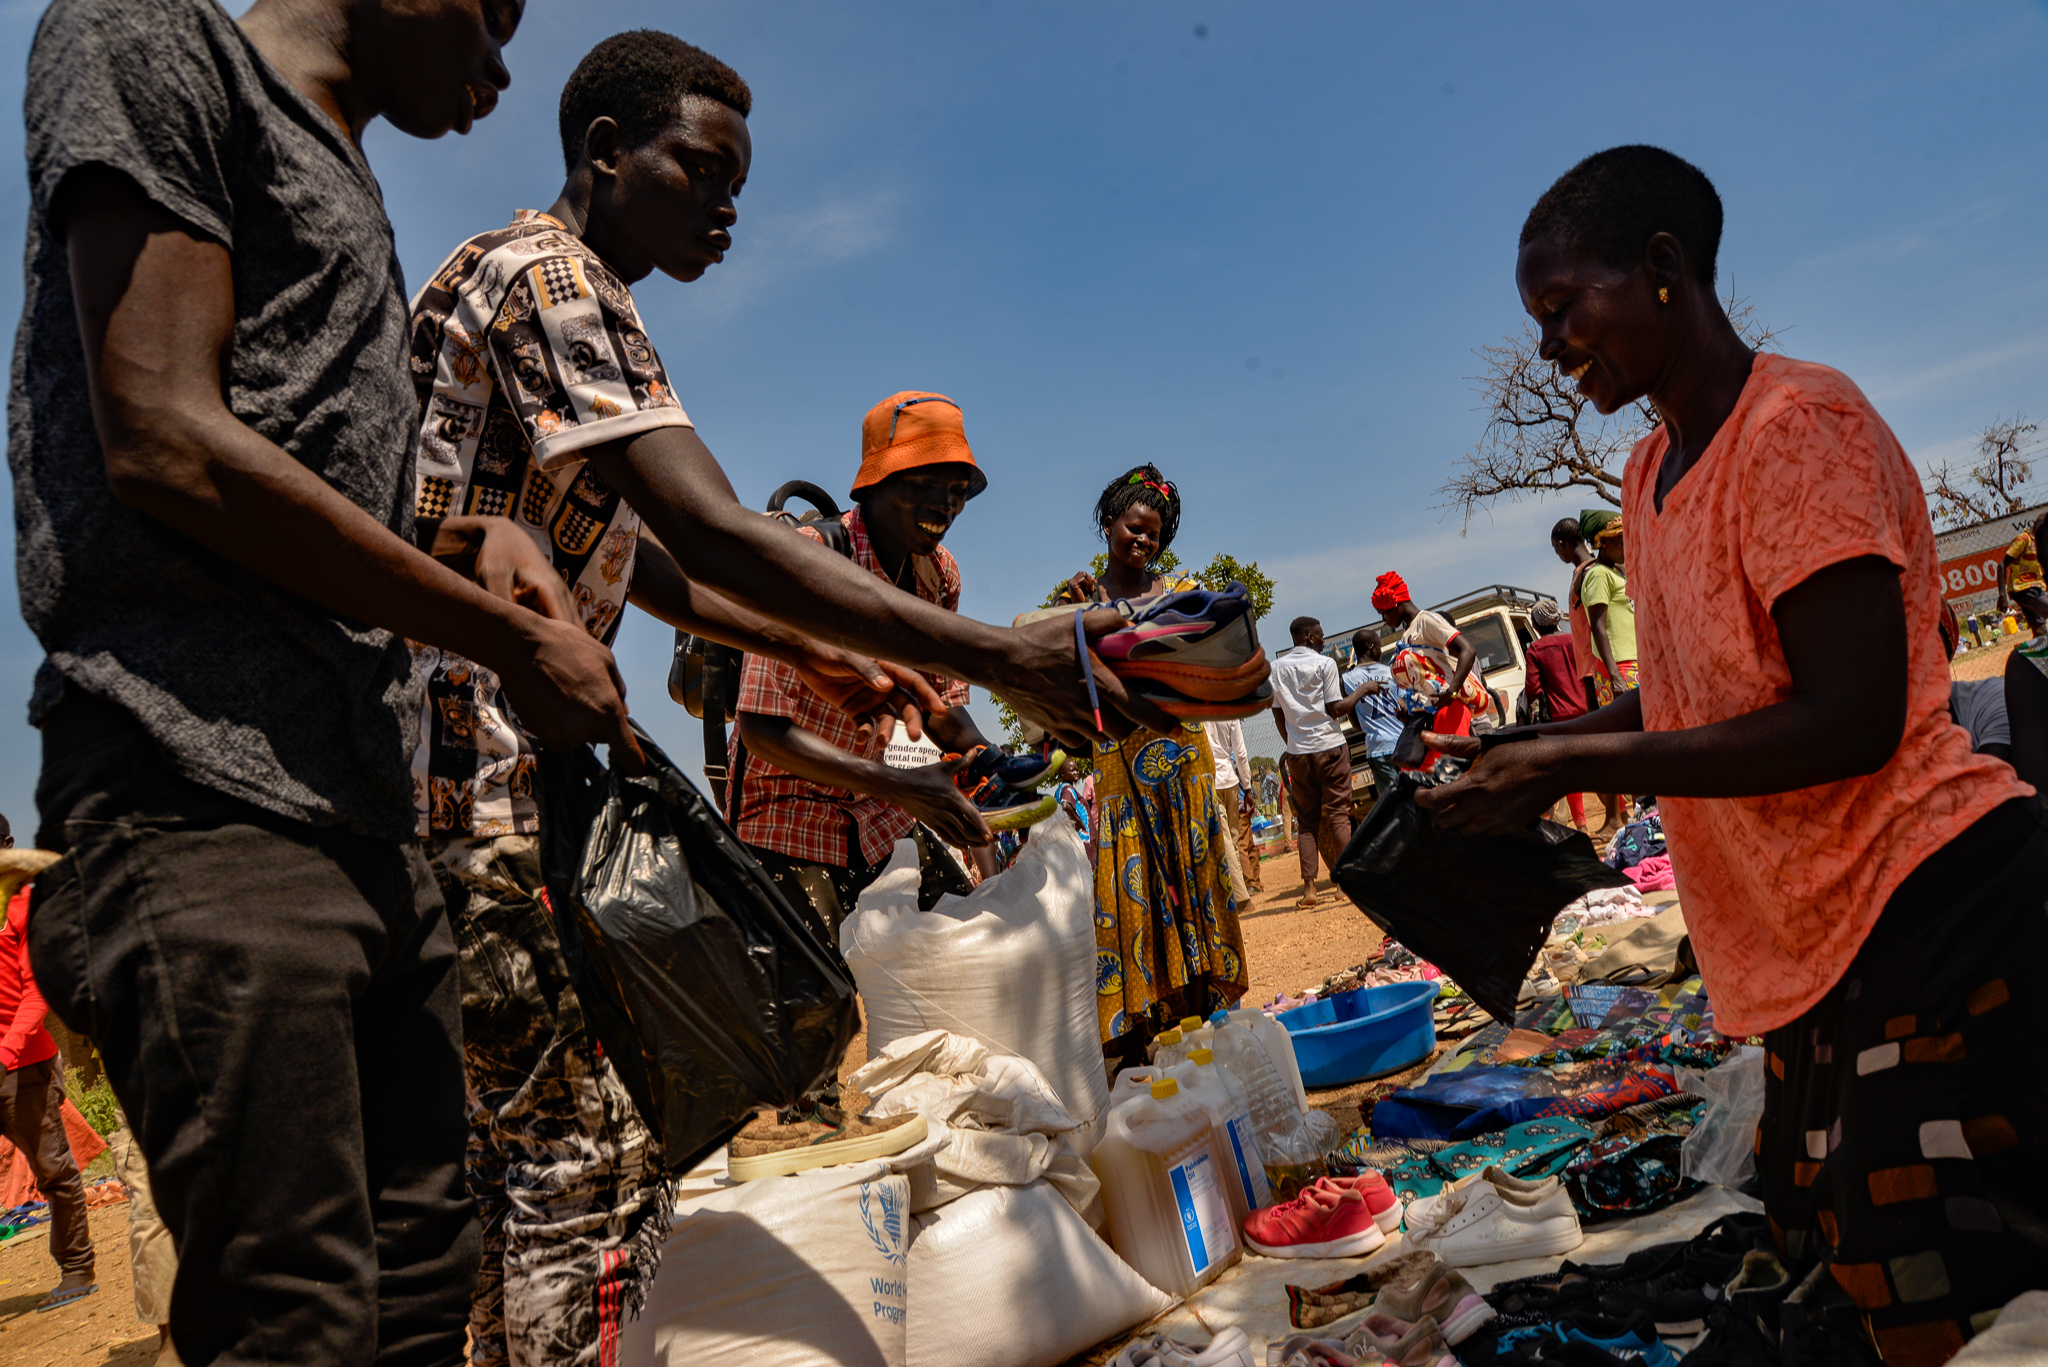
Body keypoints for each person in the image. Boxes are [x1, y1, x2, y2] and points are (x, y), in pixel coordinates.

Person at [15, 3, 652, 1360]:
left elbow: (303, 483)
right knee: (293, 1316)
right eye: (490, 16)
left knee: (422, 1278)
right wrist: (504, 637)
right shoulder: (146, 36)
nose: (497, 69)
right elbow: (168, 441)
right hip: (201, 798)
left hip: (362, 816)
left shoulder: (348, 184)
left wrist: (475, 540)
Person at [1425, 143, 2045, 1362]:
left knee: (1939, 1294)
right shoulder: (1649, 469)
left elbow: (1850, 712)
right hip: (1812, 942)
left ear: (1662, 269)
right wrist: (1541, 742)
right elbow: (1695, 691)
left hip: (1929, 910)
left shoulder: (1795, 425)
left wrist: (1575, 767)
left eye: (1563, 309)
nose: (1552, 347)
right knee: (1838, 1276)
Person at [728, 392, 1005, 942]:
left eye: (956, 492)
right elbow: (761, 731)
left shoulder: (939, 577)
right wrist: (898, 785)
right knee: (816, 1009)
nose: (946, 505)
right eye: (925, 484)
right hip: (788, 818)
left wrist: (987, 758)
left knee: (962, 947)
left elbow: (942, 704)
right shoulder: (810, 559)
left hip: (883, 817)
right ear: (878, 481)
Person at [1061, 465, 1246, 1065]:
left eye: (1154, 535)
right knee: (1137, 896)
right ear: (1108, 524)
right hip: (1121, 776)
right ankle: (1144, 1044)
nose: (1143, 541)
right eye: (1134, 528)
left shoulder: (1181, 595)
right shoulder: (1080, 604)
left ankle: (1199, 1022)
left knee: (1192, 886)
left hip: (1184, 772)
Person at [0, 831, 93, 1313]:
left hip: (22, 1067)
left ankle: (78, 1267)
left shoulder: (25, 905)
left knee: (53, 1171)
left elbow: (38, 990)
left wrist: (6, 1054)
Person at [1269, 617, 1353, 910]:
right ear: (1307, 636)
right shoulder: (1325, 664)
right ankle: (1343, 885)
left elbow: (1277, 713)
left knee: (1307, 821)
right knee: (1339, 816)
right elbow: (1334, 708)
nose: (1323, 640)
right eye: (1320, 635)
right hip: (1330, 747)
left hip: (1299, 754)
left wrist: (1292, 743)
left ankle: (1309, 889)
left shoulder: (1275, 669)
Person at [1372, 571, 1494, 738]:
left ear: (1394, 604)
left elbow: (1468, 650)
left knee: (1452, 762)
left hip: (1449, 710)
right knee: (1421, 764)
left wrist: (1451, 693)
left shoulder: (1426, 620)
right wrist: (1409, 712)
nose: (1384, 620)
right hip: (1430, 715)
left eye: (1382, 613)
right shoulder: (1408, 633)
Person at [1521, 598, 1592, 830]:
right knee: (1598, 762)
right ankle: (1619, 813)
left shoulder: (1536, 650)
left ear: (1537, 625)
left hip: (1560, 717)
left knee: (1569, 770)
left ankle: (1581, 825)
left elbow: (1533, 689)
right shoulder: (1575, 639)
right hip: (1589, 711)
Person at [1331, 629, 1424, 800]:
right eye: (1379, 647)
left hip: (1377, 749)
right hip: (1403, 745)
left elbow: (1356, 724)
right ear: (1372, 648)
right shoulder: (1392, 672)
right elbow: (1406, 708)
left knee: (1392, 803)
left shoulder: (1346, 680)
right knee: (1415, 795)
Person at [1581, 517, 1639, 709]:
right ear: (1603, 543)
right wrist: (1615, 675)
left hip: (1631, 661)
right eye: (1621, 543)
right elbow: (1598, 627)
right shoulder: (1598, 575)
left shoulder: (1615, 573)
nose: (1626, 549)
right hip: (1619, 666)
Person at [1205, 719, 1261, 894]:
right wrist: (1247, 787)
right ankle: (1242, 888)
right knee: (1235, 840)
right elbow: (1240, 753)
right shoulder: (1230, 713)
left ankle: (1238, 893)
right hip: (1231, 780)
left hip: (1211, 781)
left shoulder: (1196, 712)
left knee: (1224, 840)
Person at [1995, 509, 2048, 640]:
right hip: (2023, 589)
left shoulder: (2040, 542)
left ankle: (2031, 657)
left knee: (2040, 632)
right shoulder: (2024, 539)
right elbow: (2001, 565)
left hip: (2035, 589)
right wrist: (2002, 595)